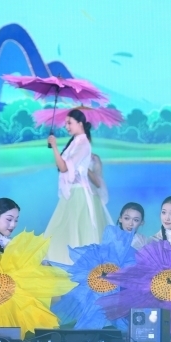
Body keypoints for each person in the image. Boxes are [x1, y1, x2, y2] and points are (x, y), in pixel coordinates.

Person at [44, 110, 110, 264]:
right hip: (73, 192)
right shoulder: (75, 143)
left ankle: (78, 264)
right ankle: (65, 262)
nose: (66, 126)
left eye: (70, 123)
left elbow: (64, 168)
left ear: (80, 124)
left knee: (79, 230)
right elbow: (62, 166)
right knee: (67, 229)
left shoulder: (83, 144)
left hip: (80, 193)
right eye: (65, 123)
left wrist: (54, 146)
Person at [88, 153, 114, 226]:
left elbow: (98, 181)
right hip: (76, 194)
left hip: (92, 194)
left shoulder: (93, 158)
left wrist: (85, 168)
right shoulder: (69, 155)